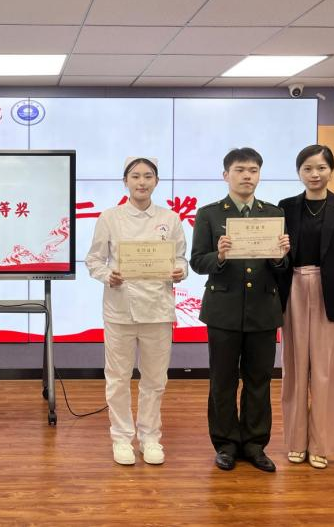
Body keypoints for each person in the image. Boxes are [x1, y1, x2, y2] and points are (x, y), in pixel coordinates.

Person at [190, 147, 290, 473]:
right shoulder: (209, 214)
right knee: (223, 381)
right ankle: (226, 444)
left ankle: (255, 444)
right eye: (240, 170)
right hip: (223, 310)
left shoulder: (273, 213)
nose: (247, 176)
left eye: (253, 170)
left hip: (263, 309)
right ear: (226, 175)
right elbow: (197, 262)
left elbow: (283, 266)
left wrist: (280, 256)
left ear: (259, 175)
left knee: (259, 380)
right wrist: (218, 256)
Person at [86, 157, 187, 466]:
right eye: (135, 176)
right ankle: (121, 437)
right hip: (120, 309)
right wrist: (109, 276)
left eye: (148, 176)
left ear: (156, 181)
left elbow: (181, 258)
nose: (142, 182)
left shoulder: (170, 218)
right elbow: (94, 260)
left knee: (155, 379)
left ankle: (150, 437)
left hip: (158, 309)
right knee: (118, 378)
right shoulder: (110, 217)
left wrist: (179, 271)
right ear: (125, 181)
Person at [277, 144, 334, 469]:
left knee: (326, 373)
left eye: (321, 168)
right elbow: (278, 257)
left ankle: (321, 445)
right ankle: (296, 442)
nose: (315, 174)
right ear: (299, 172)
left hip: (333, 295)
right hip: (293, 289)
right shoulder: (285, 207)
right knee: (294, 370)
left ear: (331, 170)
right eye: (308, 168)